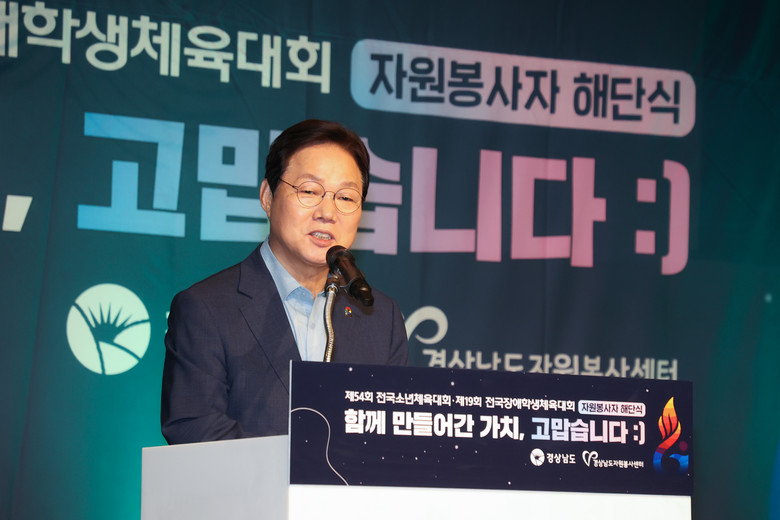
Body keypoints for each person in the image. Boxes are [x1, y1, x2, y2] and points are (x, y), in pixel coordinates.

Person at [161, 119, 409, 444]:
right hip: (247, 481)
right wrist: (304, 466)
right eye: (309, 191)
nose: (328, 212)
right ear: (268, 196)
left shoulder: (380, 317)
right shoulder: (207, 309)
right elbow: (195, 428)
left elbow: (395, 437)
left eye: (346, 198)